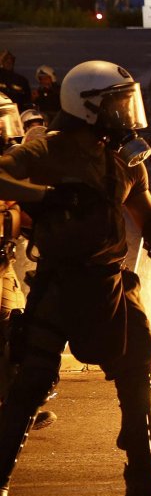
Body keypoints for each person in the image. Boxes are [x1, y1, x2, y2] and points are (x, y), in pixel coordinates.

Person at [0, 60, 151, 496]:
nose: (127, 112)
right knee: (32, 383)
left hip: (113, 284)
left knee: (139, 375)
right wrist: (44, 196)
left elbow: (141, 206)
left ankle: (144, 483)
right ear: (87, 107)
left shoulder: (126, 155)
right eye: (118, 103)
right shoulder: (48, 149)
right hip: (61, 285)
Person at [0, 96, 55, 433]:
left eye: (7, 122)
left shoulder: (10, 167)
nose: (7, 132)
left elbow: (22, 213)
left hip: (4, 265)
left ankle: (16, 407)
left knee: (16, 332)